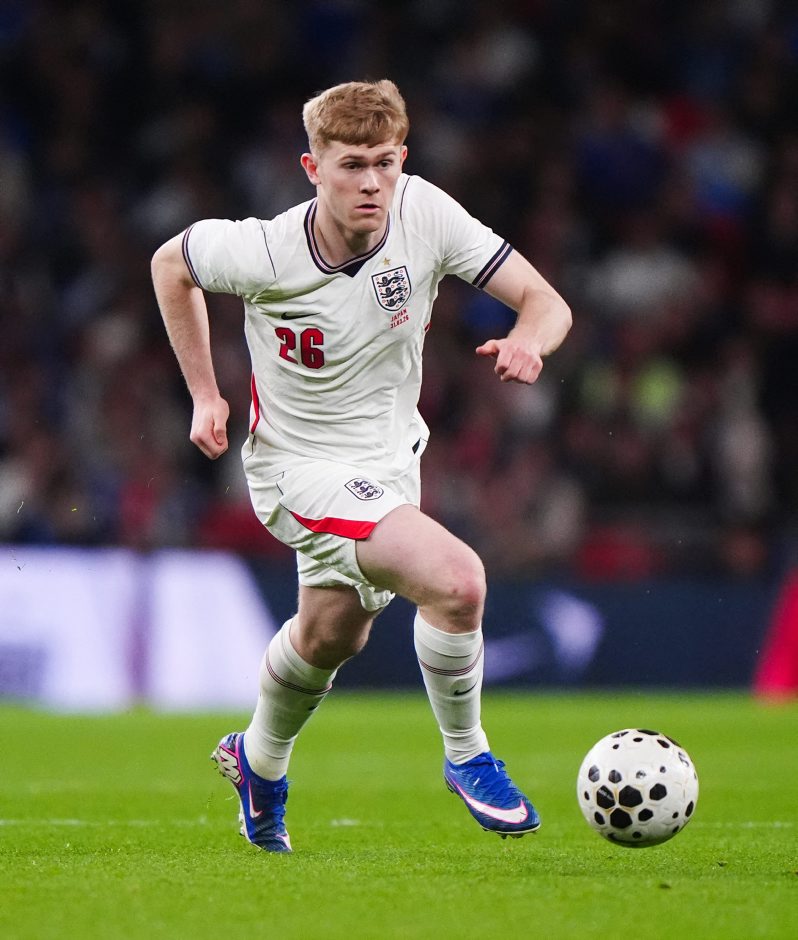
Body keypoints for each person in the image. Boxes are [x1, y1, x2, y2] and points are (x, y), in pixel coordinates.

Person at [151, 79, 571, 853]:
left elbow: (547, 303)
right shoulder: (263, 250)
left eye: (385, 162)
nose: (372, 181)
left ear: (402, 158)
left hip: (390, 463)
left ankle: (257, 762)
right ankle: (467, 754)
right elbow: (168, 265)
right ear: (312, 168)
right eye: (351, 165)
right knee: (458, 581)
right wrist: (205, 394)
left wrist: (528, 342)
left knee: (330, 637)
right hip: (296, 468)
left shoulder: (425, 213)